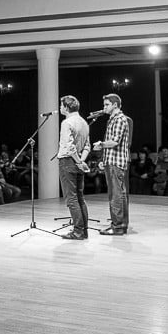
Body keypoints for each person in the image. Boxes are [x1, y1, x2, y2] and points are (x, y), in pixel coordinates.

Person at [92, 93, 130, 235]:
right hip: (111, 161)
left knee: (116, 195)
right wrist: (104, 160)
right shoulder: (113, 119)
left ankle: (118, 226)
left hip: (116, 162)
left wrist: (101, 144)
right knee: (118, 194)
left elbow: (114, 141)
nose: (104, 107)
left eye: (106, 105)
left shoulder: (119, 119)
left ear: (115, 105)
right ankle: (119, 224)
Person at [57, 96, 91, 240]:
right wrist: (81, 161)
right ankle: (84, 231)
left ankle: (78, 231)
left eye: (61, 105)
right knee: (80, 197)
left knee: (71, 199)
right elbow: (87, 146)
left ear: (66, 107)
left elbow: (70, 147)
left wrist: (77, 161)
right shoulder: (84, 122)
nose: (59, 108)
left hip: (68, 162)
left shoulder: (66, 123)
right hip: (78, 162)